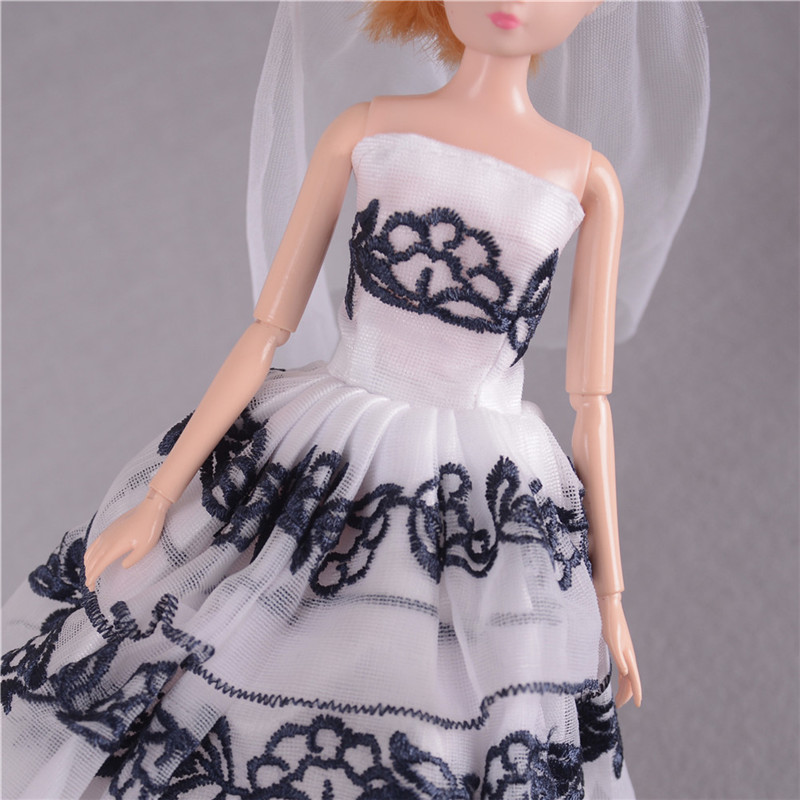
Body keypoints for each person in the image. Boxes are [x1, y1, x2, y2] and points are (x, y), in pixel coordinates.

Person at [2, 3, 708, 798]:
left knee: (451, 727)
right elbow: (267, 329)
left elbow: (592, 400)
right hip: (324, 447)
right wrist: (162, 496)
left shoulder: (586, 177)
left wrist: (610, 595)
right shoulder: (370, 129)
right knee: (217, 657)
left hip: (484, 496)